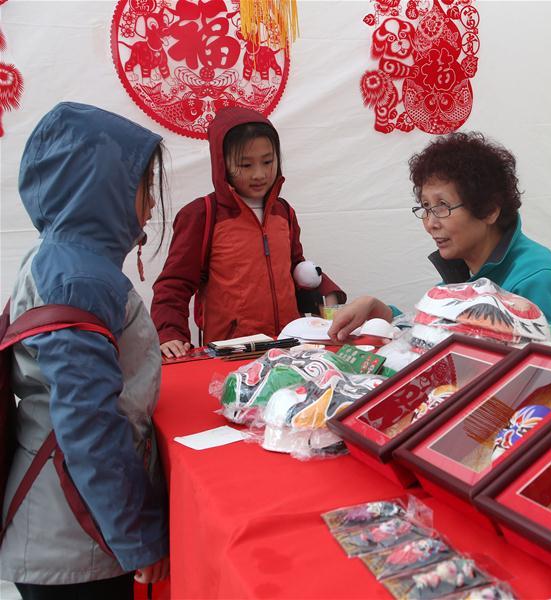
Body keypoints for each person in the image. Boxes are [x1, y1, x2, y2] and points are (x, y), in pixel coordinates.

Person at [0, 102, 169, 598]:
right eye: (144, 186)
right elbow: (88, 423)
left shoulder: (61, 260)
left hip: (69, 518)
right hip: (75, 532)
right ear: (103, 186)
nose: (152, 206)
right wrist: (138, 537)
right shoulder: (77, 278)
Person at [329, 132, 551, 341]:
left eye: (442, 206)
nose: (430, 223)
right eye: (426, 207)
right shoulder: (466, 274)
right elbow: (440, 333)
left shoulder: (538, 281)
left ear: (489, 210)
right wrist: (385, 314)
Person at [152, 107, 345, 357]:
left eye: (268, 161)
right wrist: (169, 332)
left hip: (289, 344)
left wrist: (327, 293)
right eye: (245, 164)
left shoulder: (283, 212)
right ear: (222, 164)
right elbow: (175, 283)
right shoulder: (203, 214)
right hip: (233, 350)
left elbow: (296, 268)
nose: (259, 174)